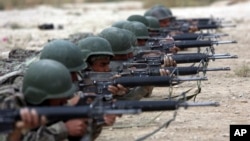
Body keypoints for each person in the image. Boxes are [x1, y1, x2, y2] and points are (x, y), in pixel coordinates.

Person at [0, 59, 79, 141]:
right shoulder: (7, 104)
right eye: (60, 96)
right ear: (43, 97)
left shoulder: (34, 102)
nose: (65, 101)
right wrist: (64, 129)